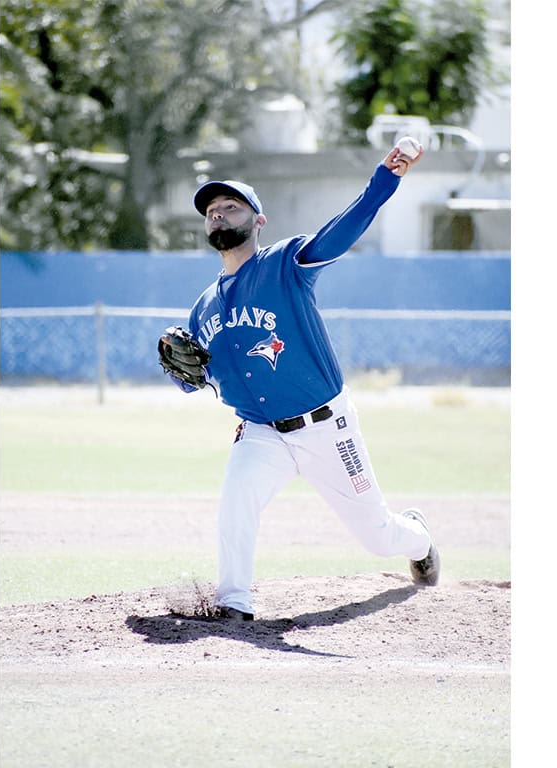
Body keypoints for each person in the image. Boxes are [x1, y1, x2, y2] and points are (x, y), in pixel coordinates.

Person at [158, 142, 440, 621]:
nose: (219, 216)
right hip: (261, 432)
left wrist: (384, 180)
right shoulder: (203, 306)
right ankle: (233, 603)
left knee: (378, 538)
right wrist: (181, 371)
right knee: (236, 503)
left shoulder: (284, 264)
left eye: (231, 207)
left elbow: (340, 232)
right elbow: (197, 380)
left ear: (258, 220)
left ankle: (419, 537)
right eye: (211, 211)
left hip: (326, 427)